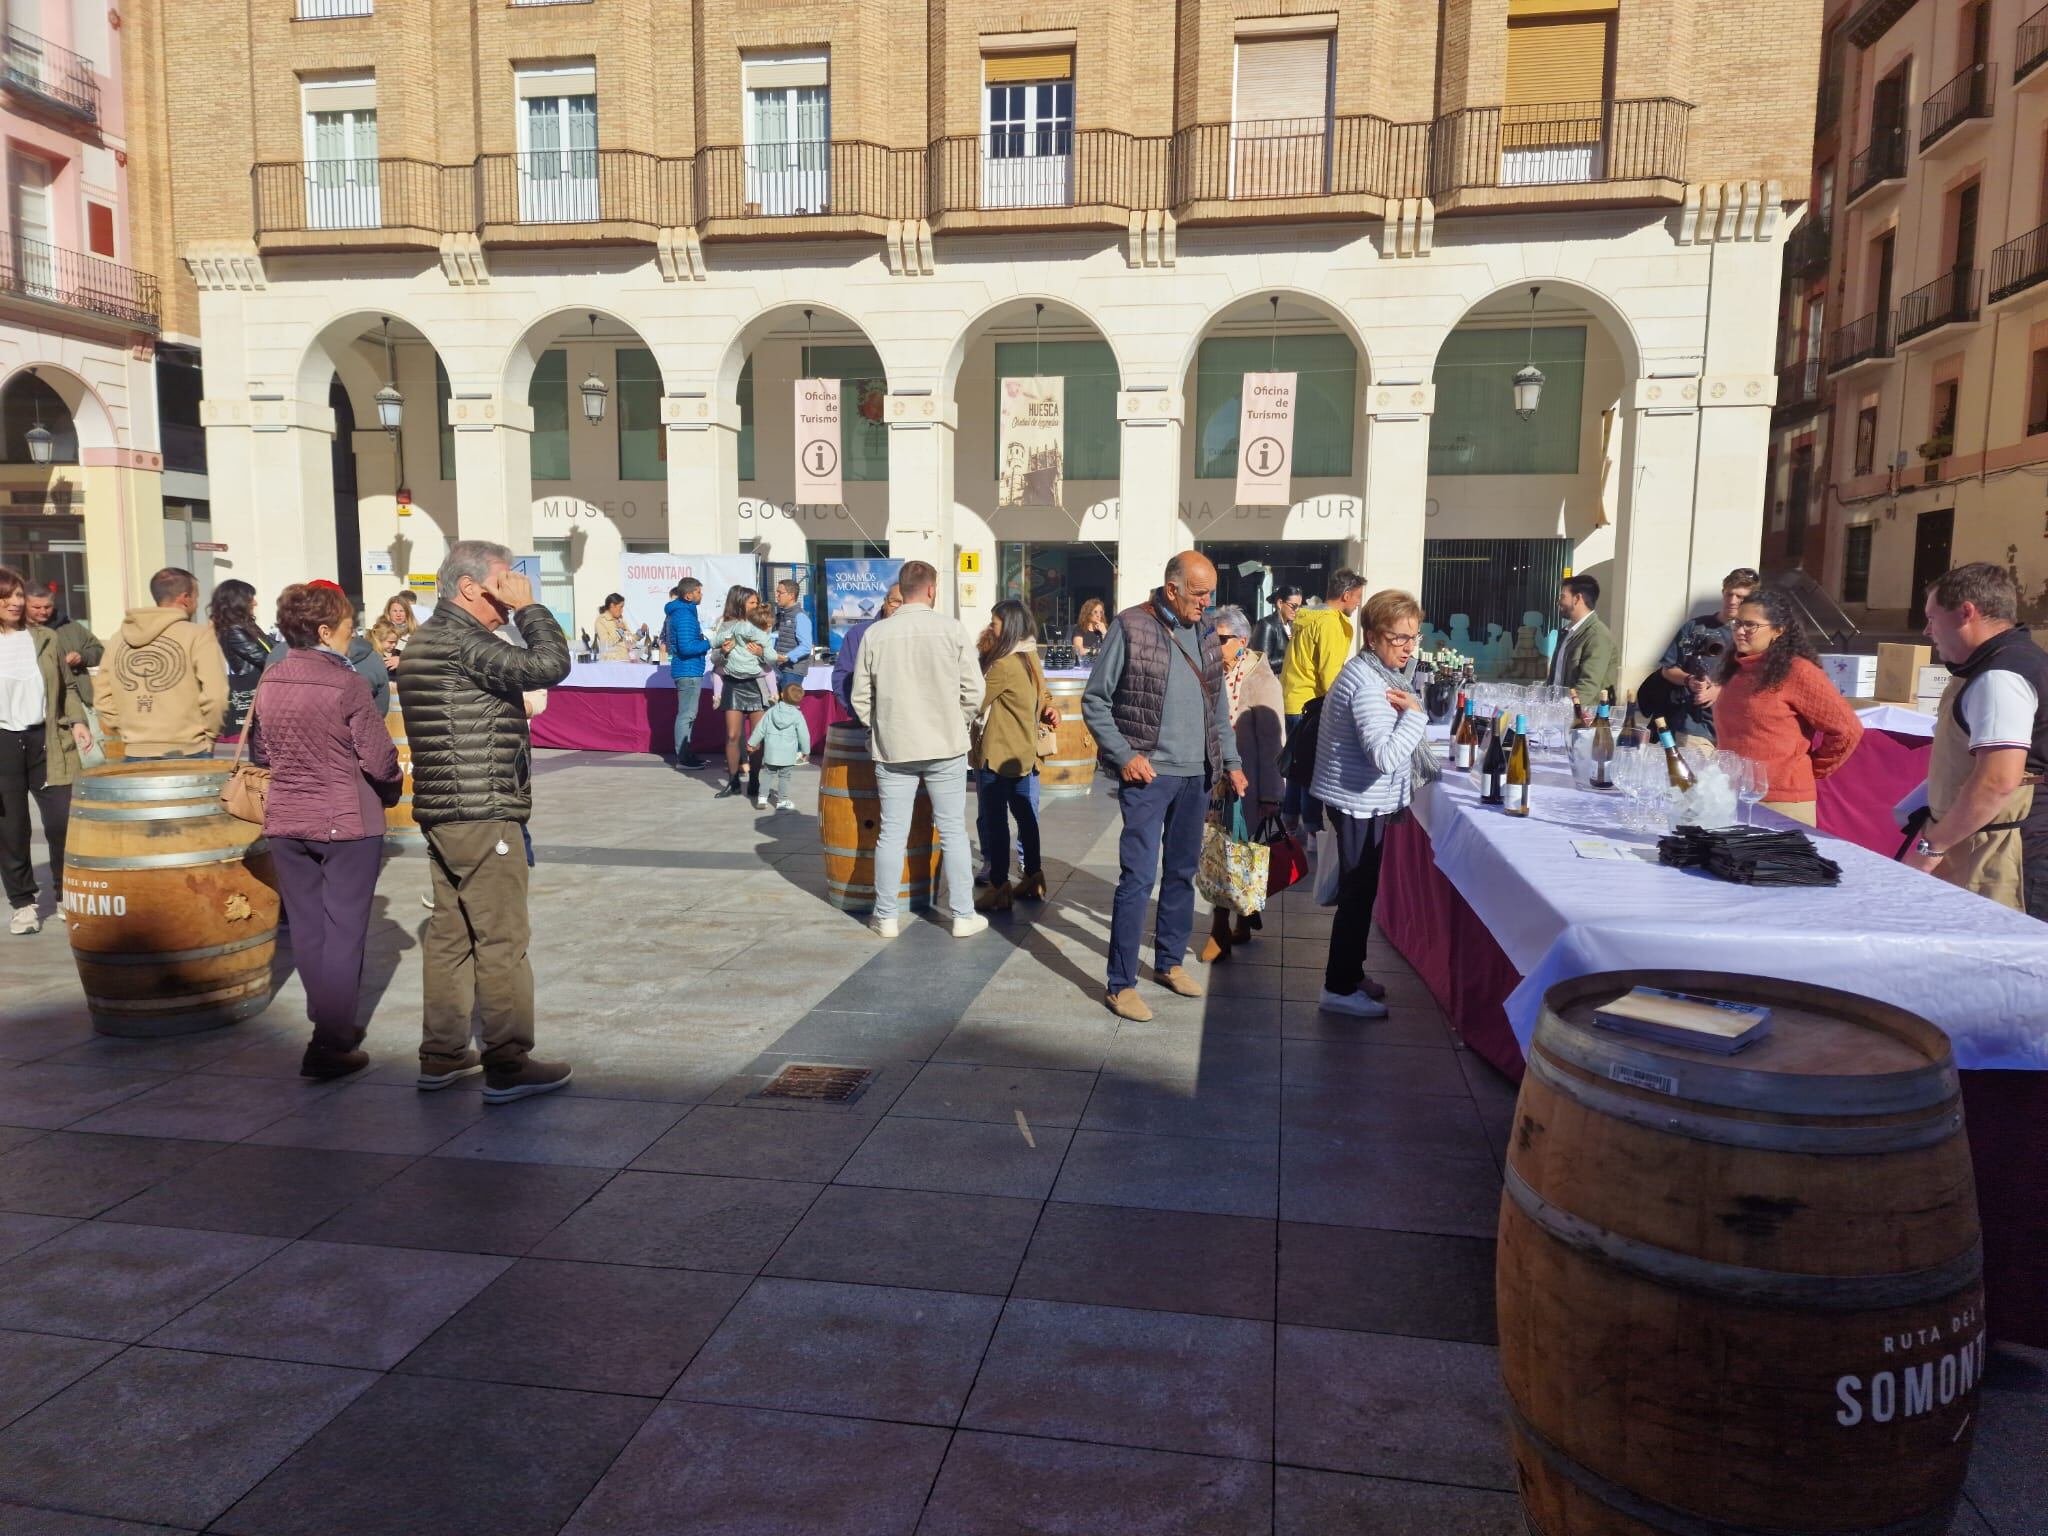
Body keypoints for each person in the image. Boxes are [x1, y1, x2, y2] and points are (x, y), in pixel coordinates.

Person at [397, 539, 574, 1103]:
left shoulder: (430, 636)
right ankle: (507, 1061)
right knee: (502, 936)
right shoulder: (461, 639)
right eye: (504, 582)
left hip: (448, 809)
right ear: (471, 587)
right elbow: (550, 665)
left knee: (451, 933)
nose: (511, 592)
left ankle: (444, 1053)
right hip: (482, 808)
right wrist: (530, 611)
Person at [1081, 551, 1247, 1022]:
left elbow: (1218, 710)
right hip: (1150, 775)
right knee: (1137, 877)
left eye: (1211, 593)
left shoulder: (1207, 633)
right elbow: (1095, 700)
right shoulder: (1131, 626)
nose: (1206, 602)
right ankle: (1120, 984)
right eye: (1199, 593)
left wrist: (1230, 763)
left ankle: (1170, 963)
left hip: (1198, 775)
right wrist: (1125, 755)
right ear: (1172, 589)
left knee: (1180, 873)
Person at [249, 582, 402, 1078]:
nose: (350, 635)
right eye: (345, 627)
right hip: (345, 819)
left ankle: (328, 1023)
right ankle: (331, 1040)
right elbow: (380, 759)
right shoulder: (346, 683)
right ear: (323, 630)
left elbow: (261, 753)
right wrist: (392, 789)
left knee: (310, 929)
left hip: (286, 819)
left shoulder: (270, 679)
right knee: (344, 932)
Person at [849, 559, 987, 940]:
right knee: (953, 831)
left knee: (891, 833)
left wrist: (878, 725)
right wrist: (957, 720)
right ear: (931, 589)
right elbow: (974, 691)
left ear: (902, 589)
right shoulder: (952, 630)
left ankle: (886, 916)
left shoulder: (876, 635)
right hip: (945, 743)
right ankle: (962, 915)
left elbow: (861, 697)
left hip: (894, 746)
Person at [1901, 563, 2048, 920]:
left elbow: (1997, 781)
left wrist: (1929, 848)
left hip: (2005, 855)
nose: (1927, 631)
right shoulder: (1992, 665)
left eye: (1933, 619)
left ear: (1967, 612)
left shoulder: (2001, 675)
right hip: (1980, 842)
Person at [1313, 590, 1433, 1018]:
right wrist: (1416, 715)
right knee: (1356, 896)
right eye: (1398, 637)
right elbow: (1383, 756)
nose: (1407, 647)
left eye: (1412, 637)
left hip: (1358, 801)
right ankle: (1338, 988)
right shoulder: (1367, 685)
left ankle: (1352, 971)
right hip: (1358, 803)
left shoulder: (1373, 673)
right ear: (1371, 636)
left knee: (1361, 894)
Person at [1712, 587, 1863, 827]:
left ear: (1778, 631)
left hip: (1781, 804)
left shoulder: (1798, 672)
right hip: (1730, 798)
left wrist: (1810, 768)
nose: (1740, 631)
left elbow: (1847, 729)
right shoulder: (1735, 669)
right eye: (1737, 623)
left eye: (1750, 625)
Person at [0, 567, 91, 934]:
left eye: (19, 595)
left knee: (61, 822)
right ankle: (23, 903)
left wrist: (79, 721)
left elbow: (68, 687)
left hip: (47, 739)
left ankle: (66, 893)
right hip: (3, 743)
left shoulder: (45, 638)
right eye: (7, 596)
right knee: (12, 827)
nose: (16, 602)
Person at [1200, 604, 1285, 963]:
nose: (1213, 645)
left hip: (1246, 787)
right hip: (1213, 784)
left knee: (1229, 854)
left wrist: (1271, 795)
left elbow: (1272, 744)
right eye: (1210, 637)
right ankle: (1245, 916)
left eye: (1220, 639)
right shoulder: (1213, 673)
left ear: (1242, 641)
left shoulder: (1262, 680)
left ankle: (1219, 930)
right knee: (1222, 853)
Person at [972, 599, 1057, 914]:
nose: (991, 627)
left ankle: (998, 886)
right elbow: (1044, 693)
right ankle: (1033, 877)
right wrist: (1049, 705)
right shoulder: (1031, 656)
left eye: (994, 622)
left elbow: (974, 703)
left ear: (1008, 627)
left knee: (996, 822)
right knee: (1026, 819)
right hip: (1025, 754)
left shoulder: (1004, 664)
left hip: (997, 755)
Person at [96, 567, 229, 760]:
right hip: (189, 750)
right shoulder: (199, 636)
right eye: (196, 597)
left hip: (135, 750)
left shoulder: (117, 640)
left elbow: (102, 697)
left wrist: (128, 730)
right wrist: (208, 735)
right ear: (185, 598)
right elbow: (216, 696)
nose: (197, 604)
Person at [1280, 568, 1365, 833]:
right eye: (1357, 597)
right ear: (1346, 594)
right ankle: (1313, 831)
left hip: (1294, 697)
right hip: (1313, 703)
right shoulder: (1330, 622)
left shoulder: (1308, 616)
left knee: (1296, 767)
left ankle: (1290, 823)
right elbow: (1330, 674)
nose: (1359, 603)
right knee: (1310, 770)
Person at [1657, 567, 1759, 746]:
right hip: (1695, 727)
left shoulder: (1759, 635)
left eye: (1741, 597)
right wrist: (1689, 680)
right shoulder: (1695, 628)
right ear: (1723, 593)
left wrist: (1721, 690)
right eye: (1729, 594)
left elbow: (1762, 678)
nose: (1733, 601)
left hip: (1739, 730)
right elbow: (1668, 669)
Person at [710, 585, 773, 800]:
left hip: (756, 685)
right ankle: (734, 781)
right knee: (732, 735)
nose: (756, 606)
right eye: (752, 602)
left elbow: (770, 660)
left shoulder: (760, 624)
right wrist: (724, 652)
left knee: (757, 737)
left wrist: (762, 653)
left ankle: (754, 779)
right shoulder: (726, 626)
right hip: (733, 685)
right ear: (740, 603)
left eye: (757, 602)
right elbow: (715, 660)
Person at [209, 579, 272, 741]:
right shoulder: (234, 631)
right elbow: (265, 658)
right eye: (251, 599)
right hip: (247, 696)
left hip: (255, 694)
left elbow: (272, 648)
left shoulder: (246, 627)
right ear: (239, 602)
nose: (255, 603)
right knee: (246, 748)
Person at [833, 582, 903, 723]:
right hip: (869, 723)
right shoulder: (859, 634)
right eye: (894, 602)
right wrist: (861, 715)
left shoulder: (915, 636)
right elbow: (842, 677)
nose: (898, 608)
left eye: (904, 604)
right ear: (884, 602)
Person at [24, 587, 100, 713]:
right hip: (39, 705)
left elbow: (99, 650)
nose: (43, 611)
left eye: (48, 607)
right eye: (36, 607)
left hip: (80, 700)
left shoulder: (71, 626)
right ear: (25, 606)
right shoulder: (18, 631)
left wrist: (82, 657)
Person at [1550, 574, 1619, 710]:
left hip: (1584, 718)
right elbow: (1556, 679)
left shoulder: (1597, 635)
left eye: (1563, 597)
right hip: (1559, 714)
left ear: (1577, 599)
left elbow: (1588, 685)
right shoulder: (1568, 632)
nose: (1559, 602)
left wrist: (1562, 709)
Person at [662, 578, 712, 769]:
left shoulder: (684, 613)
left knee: (689, 714)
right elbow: (686, 647)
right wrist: (710, 642)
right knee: (687, 715)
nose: (701, 595)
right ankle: (683, 757)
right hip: (688, 670)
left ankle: (687, 753)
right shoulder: (684, 616)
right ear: (688, 595)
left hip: (689, 669)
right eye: (698, 592)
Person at [747, 680, 812, 812]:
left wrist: (752, 743)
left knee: (767, 774)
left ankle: (762, 798)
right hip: (788, 754)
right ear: (800, 700)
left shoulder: (771, 712)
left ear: (782, 695)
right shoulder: (798, 715)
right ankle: (782, 801)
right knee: (784, 777)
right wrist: (806, 751)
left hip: (771, 752)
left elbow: (760, 729)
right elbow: (804, 735)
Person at [770, 578, 816, 697]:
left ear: (791, 595)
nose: (777, 596)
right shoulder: (781, 615)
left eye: (780, 592)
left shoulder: (800, 616)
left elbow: (806, 646)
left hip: (793, 671)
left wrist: (786, 657)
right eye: (777, 592)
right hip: (779, 668)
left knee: (788, 708)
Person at [1250, 586, 1302, 677]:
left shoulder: (1292, 625)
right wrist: (1292, 658)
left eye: (1299, 606)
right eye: (1294, 606)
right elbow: (1262, 662)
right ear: (1280, 603)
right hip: (1271, 683)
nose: (1296, 610)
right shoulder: (1267, 625)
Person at [368, 592, 417, 674]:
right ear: (388, 612)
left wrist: (403, 660)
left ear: (408, 613)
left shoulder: (417, 632)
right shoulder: (379, 630)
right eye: (395, 611)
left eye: (402, 611)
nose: (398, 614)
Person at [593, 594, 630, 661]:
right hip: (612, 662)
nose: (622, 610)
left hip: (626, 660)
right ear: (612, 606)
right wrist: (620, 631)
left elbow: (630, 643)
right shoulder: (601, 621)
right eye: (620, 607)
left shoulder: (620, 620)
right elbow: (606, 643)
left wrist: (638, 633)